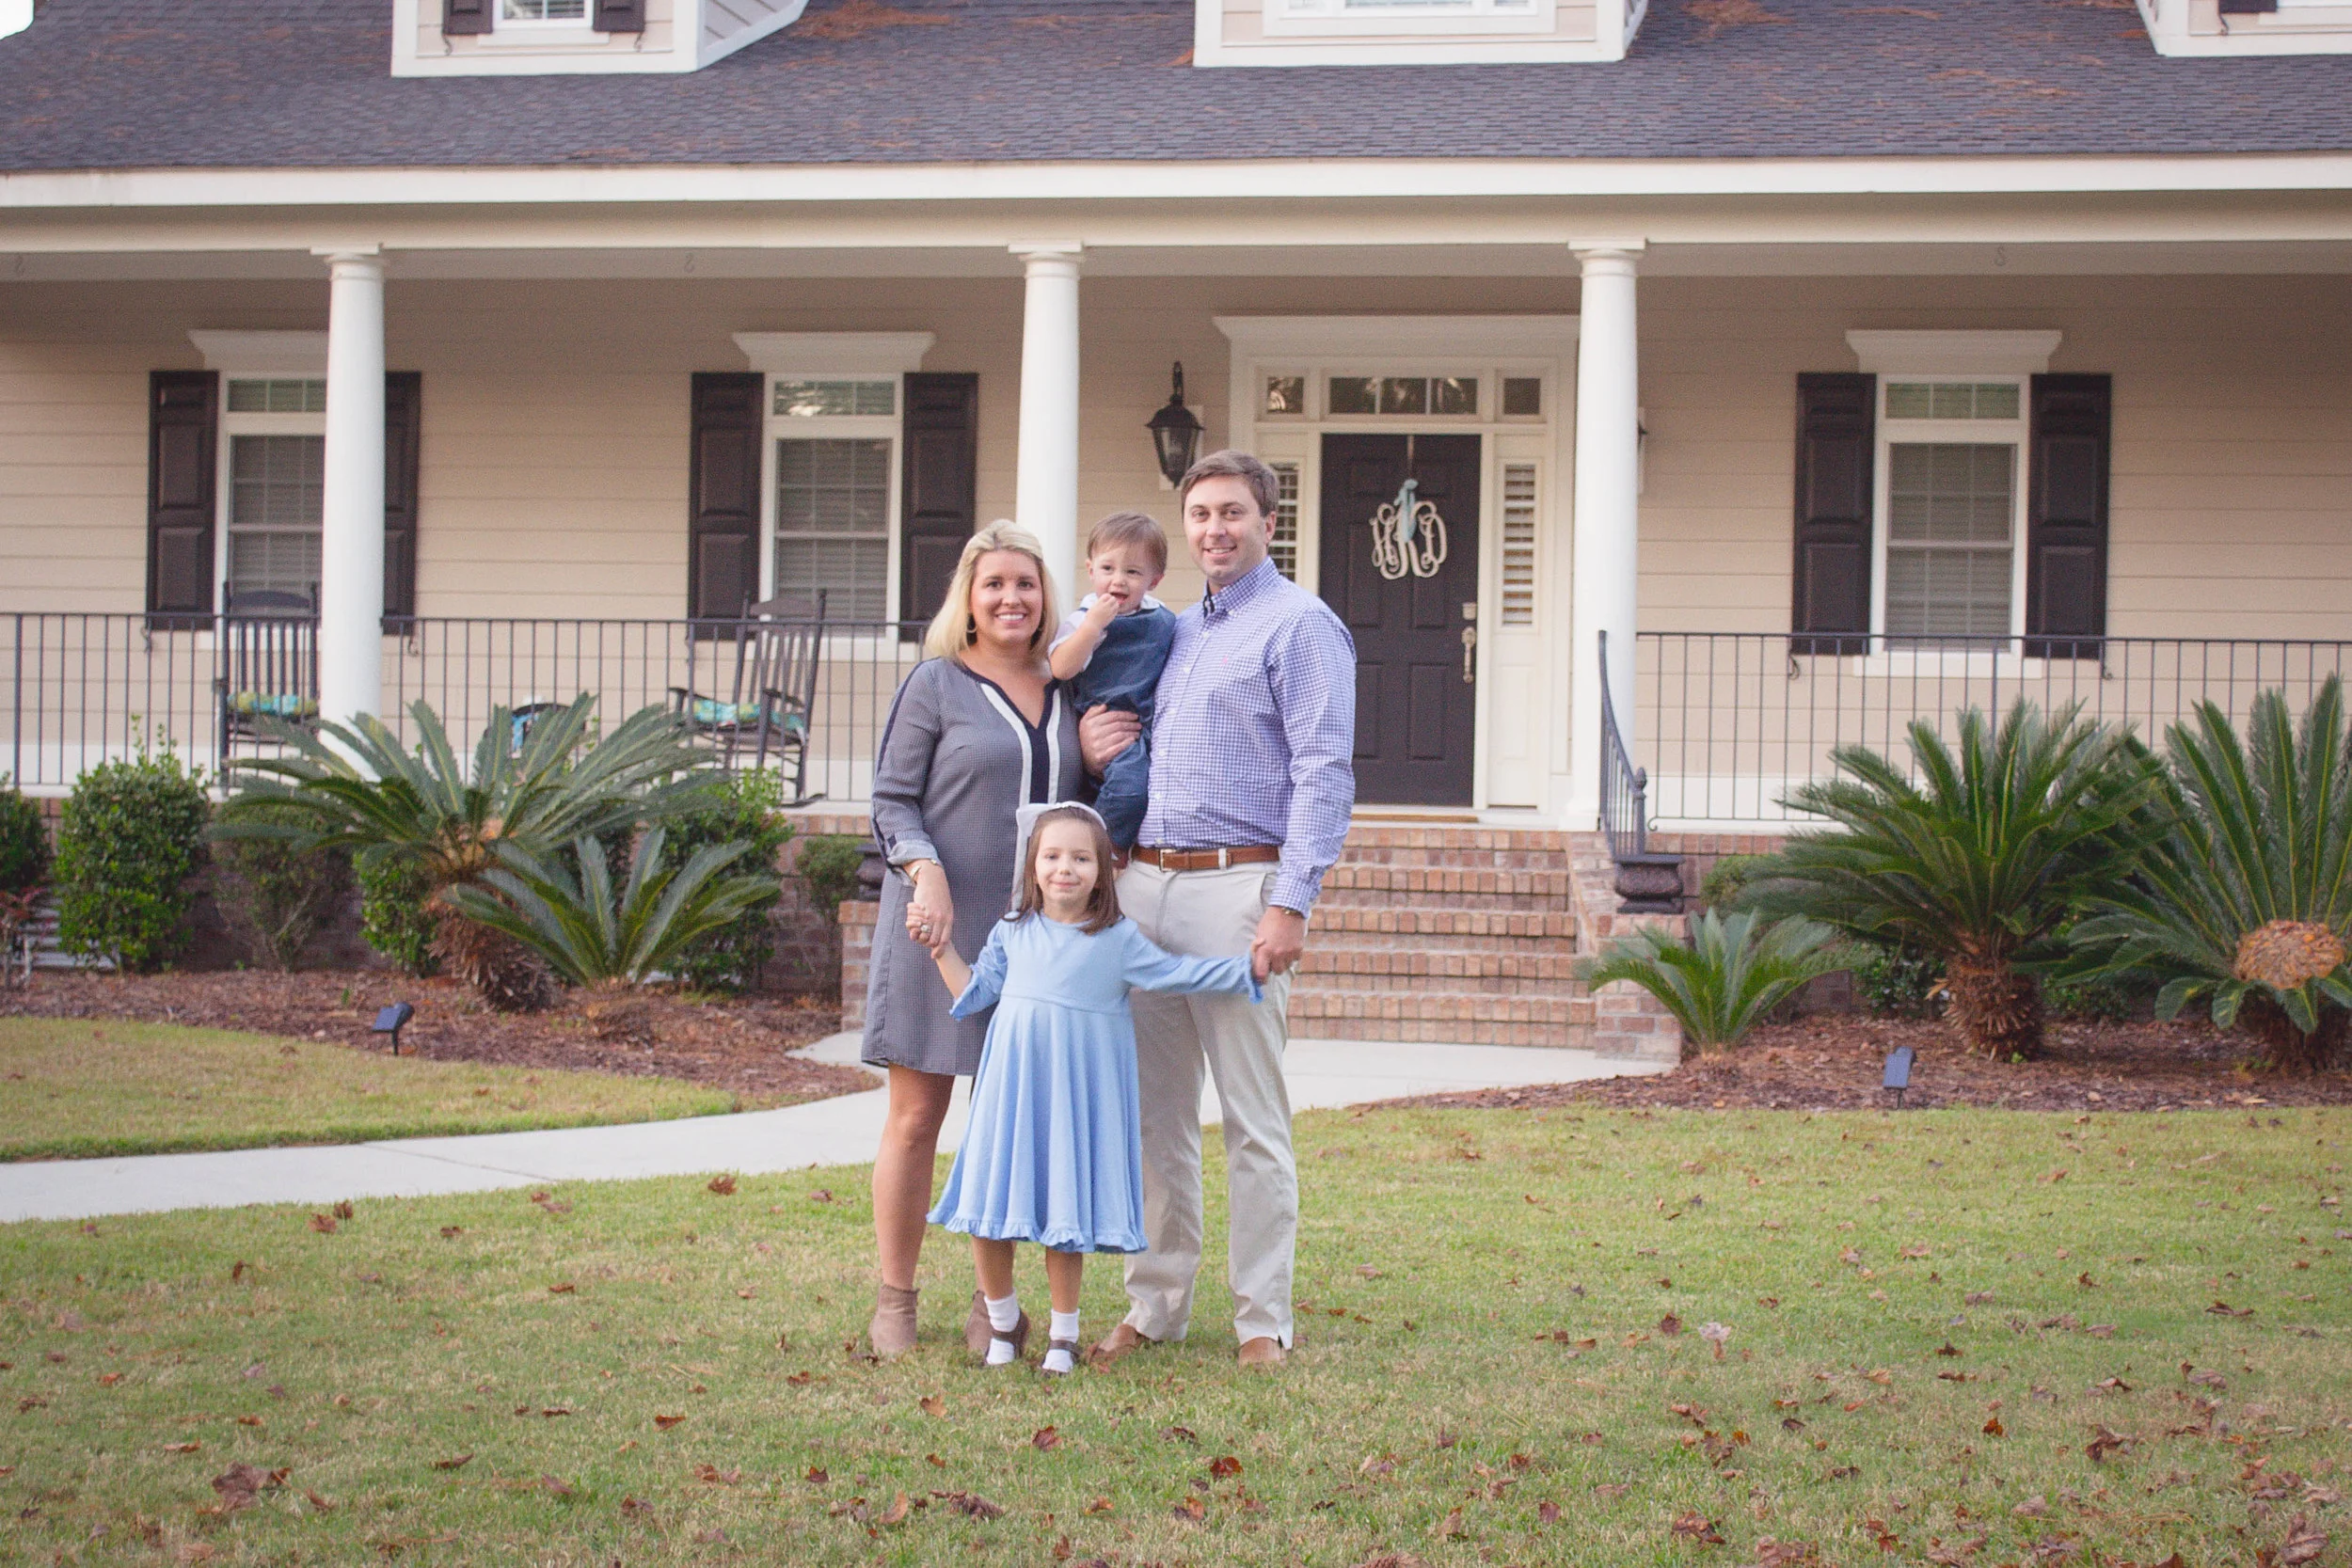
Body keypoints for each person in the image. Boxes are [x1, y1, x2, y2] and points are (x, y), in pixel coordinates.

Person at [1077, 450, 1357, 1370]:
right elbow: (1122, 728)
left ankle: (1260, 1319)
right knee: (1154, 1116)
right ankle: (1154, 1303)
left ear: (1268, 522)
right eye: (1199, 514)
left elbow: (1323, 770)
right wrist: (1088, 744)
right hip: (1144, 887)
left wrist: (1291, 901)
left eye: (1231, 512)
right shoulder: (1174, 630)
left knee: (1251, 1117)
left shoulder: (1300, 625)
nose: (1214, 529)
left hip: (1239, 891)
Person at [924, 803, 1261, 1374]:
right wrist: (940, 950)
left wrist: (1246, 969)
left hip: (1072, 1102)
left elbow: (1177, 972)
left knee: (1064, 1214)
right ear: (1033, 866)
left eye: (1081, 859)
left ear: (1104, 872)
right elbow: (973, 993)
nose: (1065, 869)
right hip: (1013, 1096)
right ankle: (1003, 1322)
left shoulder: (1117, 940)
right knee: (989, 1208)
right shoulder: (1012, 932)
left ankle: (1064, 1335)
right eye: (1052, 856)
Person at [862, 521, 1085, 1361]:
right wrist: (925, 870)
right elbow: (892, 800)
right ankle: (896, 1298)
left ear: (1044, 594)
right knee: (918, 1115)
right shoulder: (936, 684)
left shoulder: (1069, 684)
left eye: (1025, 583)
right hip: (939, 924)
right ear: (969, 595)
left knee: (1010, 1122)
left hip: (1035, 938)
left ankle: (995, 1304)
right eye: (994, 583)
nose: (1010, 598)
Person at [1048, 512, 1179, 852]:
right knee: (1128, 790)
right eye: (1108, 569)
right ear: (1090, 570)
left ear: (1155, 580)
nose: (1118, 581)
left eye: (1133, 572)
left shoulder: (1164, 620)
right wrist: (1093, 628)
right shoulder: (1082, 620)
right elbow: (1061, 667)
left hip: (1153, 724)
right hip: (1109, 723)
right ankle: (1100, 851)